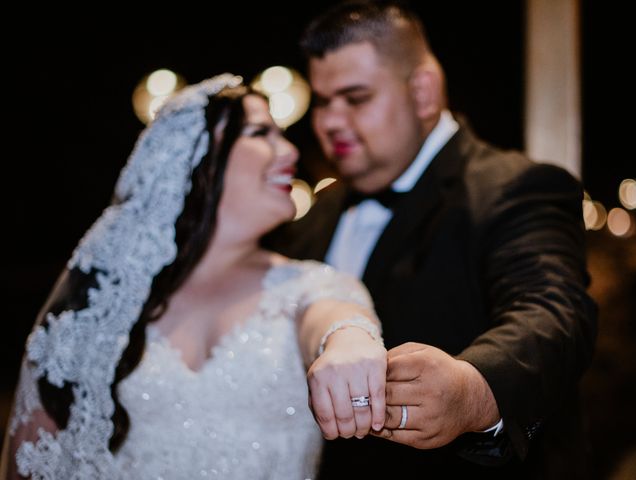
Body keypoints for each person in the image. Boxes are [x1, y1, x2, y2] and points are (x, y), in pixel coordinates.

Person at [265, 1, 598, 478]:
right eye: (322, 100)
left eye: (355, 98)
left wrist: (474, 389)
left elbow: (554, 311)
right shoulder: (319, 212)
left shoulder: (516, 186)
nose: (329, 121)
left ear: (422, 92)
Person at [0, 73, 388, 479]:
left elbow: (333, 317)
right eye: (261, 132)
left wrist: (347, 340)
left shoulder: (309, 284)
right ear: (194, 158)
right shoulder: (106, 306)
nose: (289, 150)